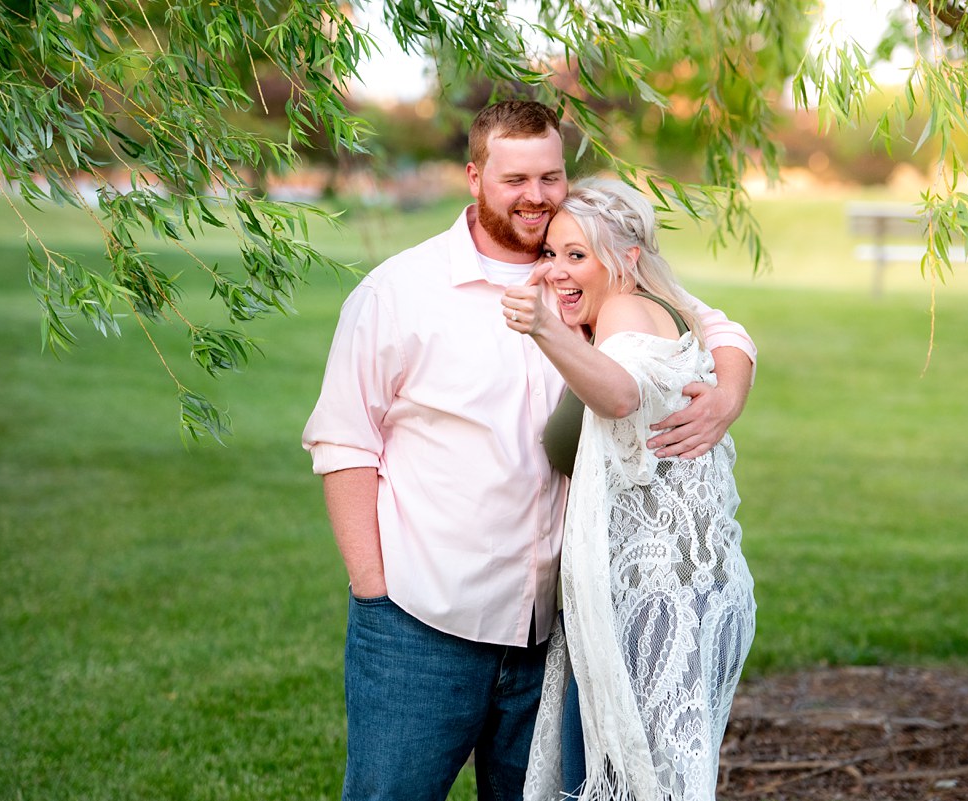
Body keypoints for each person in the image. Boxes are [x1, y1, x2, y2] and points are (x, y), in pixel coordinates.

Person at [302, 100, 756, 801]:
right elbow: (343, 441)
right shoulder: (399, 291)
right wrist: (374, 589)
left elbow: (711, 323)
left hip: (553, 633)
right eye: (515, 178)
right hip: (423, 625)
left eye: (550, 176)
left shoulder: (586, 273)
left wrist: (728, 393)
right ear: (474, 175)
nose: (537, 196)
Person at [501, 178, 756, 801]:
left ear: (627, 260)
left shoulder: (622, 311)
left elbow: (620, 395)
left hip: (650, 606)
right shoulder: (641, 307)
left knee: (623, 782)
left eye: (577, 255)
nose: (559, 270)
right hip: (646, 600)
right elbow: (729, 333)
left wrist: (544, 328)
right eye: (552, 254)